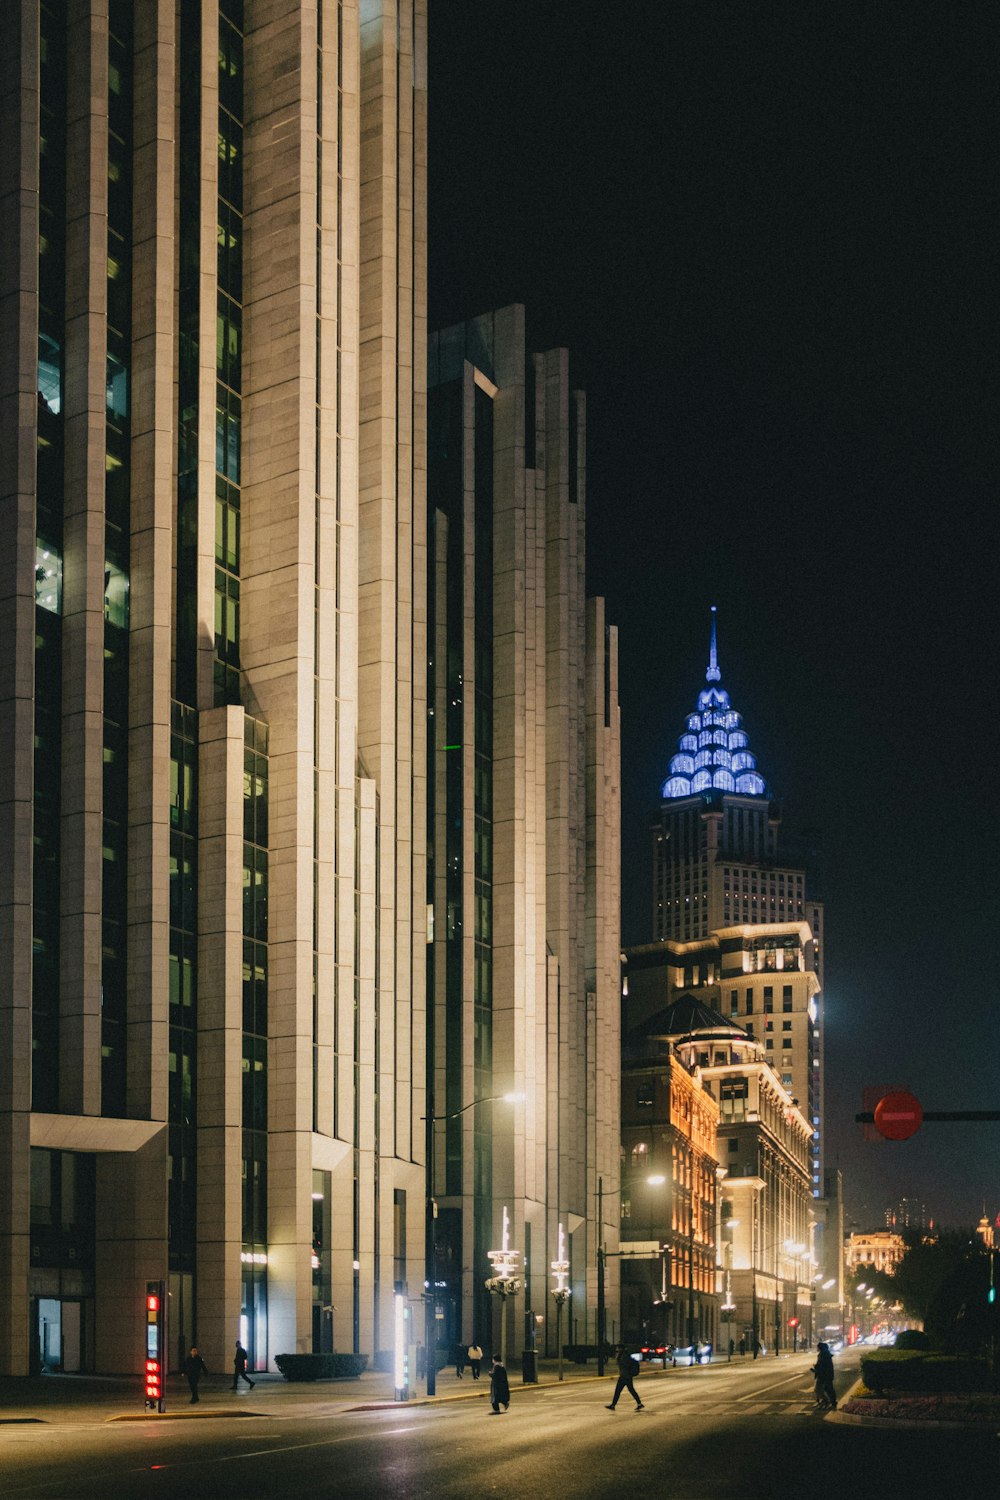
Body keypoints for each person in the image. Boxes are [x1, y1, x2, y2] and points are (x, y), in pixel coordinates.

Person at [605, 1343, 644, 1411]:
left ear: (621, 1349)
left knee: (619, 1391)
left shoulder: (624, 1356)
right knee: (630, 1390)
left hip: (625, 1376)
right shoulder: (623, 1355)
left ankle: (613, 1405)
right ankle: (639, 1404)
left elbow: (625, 1365)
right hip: (626, 1376)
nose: (616, 1349)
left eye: (618, 1348)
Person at [811, 1340, 837, 1410]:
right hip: (824, 1375)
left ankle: (829, 1402)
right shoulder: (825, 1354)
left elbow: (823, 1366)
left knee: (825, 1389)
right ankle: (825, 1402)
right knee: (824, 1389)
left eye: (817, 1347)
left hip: (824, 1375)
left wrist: (816, 1368)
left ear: (820, 1348)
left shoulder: (823, 1355)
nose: (817, 1348)